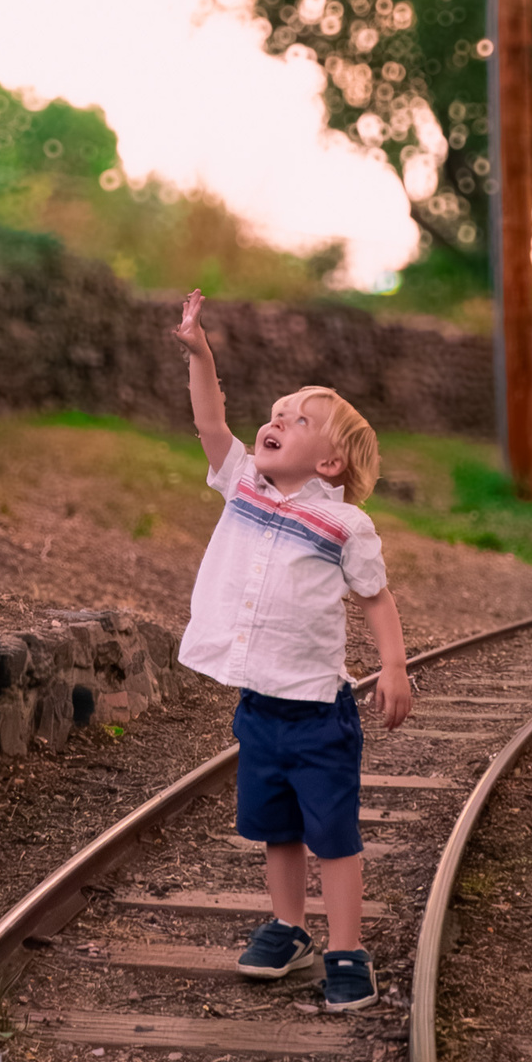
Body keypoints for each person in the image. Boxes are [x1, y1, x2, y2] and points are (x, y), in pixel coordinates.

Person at [174, 289, 411, 1012]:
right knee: (277, 828)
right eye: (277, 412)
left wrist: (394, 664)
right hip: (260, 707)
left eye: (299, 419)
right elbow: (210, 418)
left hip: (317, 712)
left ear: (331, 461)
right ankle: (288, 927)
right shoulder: (241, 481)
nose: (278, 420)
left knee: (331, 833)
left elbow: (375, 596)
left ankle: (346, 949)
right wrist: (202, 354)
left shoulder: (343, 523)